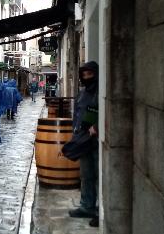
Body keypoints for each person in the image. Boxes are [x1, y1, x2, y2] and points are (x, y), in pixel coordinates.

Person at [68, 61, 99, 228]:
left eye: (90, 74)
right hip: (82, 139)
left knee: (98, 175)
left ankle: (99, 210)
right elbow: (77, 113)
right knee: (86, 174)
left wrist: (98, 126)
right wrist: (75, 131)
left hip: (96, 140)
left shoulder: (100, 92)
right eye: (84, 75)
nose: (87, 78)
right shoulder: (81, 93)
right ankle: (86, 206)